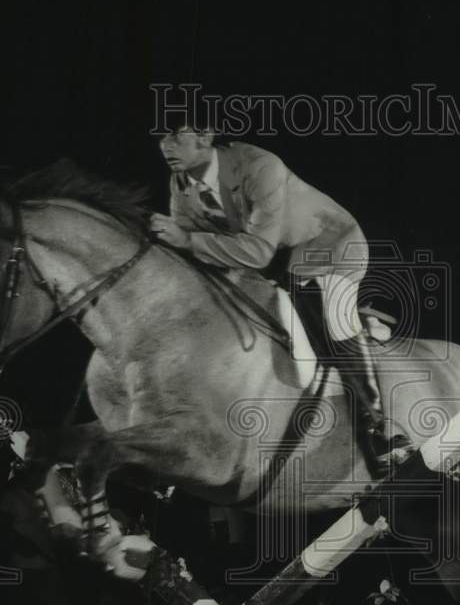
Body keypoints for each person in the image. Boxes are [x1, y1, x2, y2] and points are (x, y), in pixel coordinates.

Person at [149, 126, 393, 472]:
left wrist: (187, 241)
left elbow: (257, 251)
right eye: (162, 138)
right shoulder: (181, 185)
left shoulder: (260, 166)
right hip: (277, 265)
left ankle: (380, 430)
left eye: (176, 136)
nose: (166, 146)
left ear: (204, 137)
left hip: (330, 248)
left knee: (334, 323)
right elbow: (197, 257)